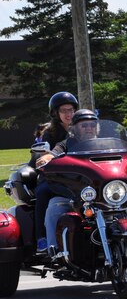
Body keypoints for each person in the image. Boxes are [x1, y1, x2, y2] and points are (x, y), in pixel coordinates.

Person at [35, 109, 99, 254]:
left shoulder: (104, 144)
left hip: (101, 192)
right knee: (54, 207)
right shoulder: (67, 143)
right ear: (75, 129)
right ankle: (55, 250)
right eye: (84, 125)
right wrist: (46, 158)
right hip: (74, 193)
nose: (89, 128)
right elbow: (54, 153)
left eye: (92, 125)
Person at [32, 92, 78, 253]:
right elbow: (43, 155)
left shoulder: (82, 129)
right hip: (53, 176)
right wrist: (45, 158)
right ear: (56, 113)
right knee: (43, 192)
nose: (68, 114)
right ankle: (41, 237)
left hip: (78, 175)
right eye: (64, 110)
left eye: (71, 110)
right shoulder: (49, 133)